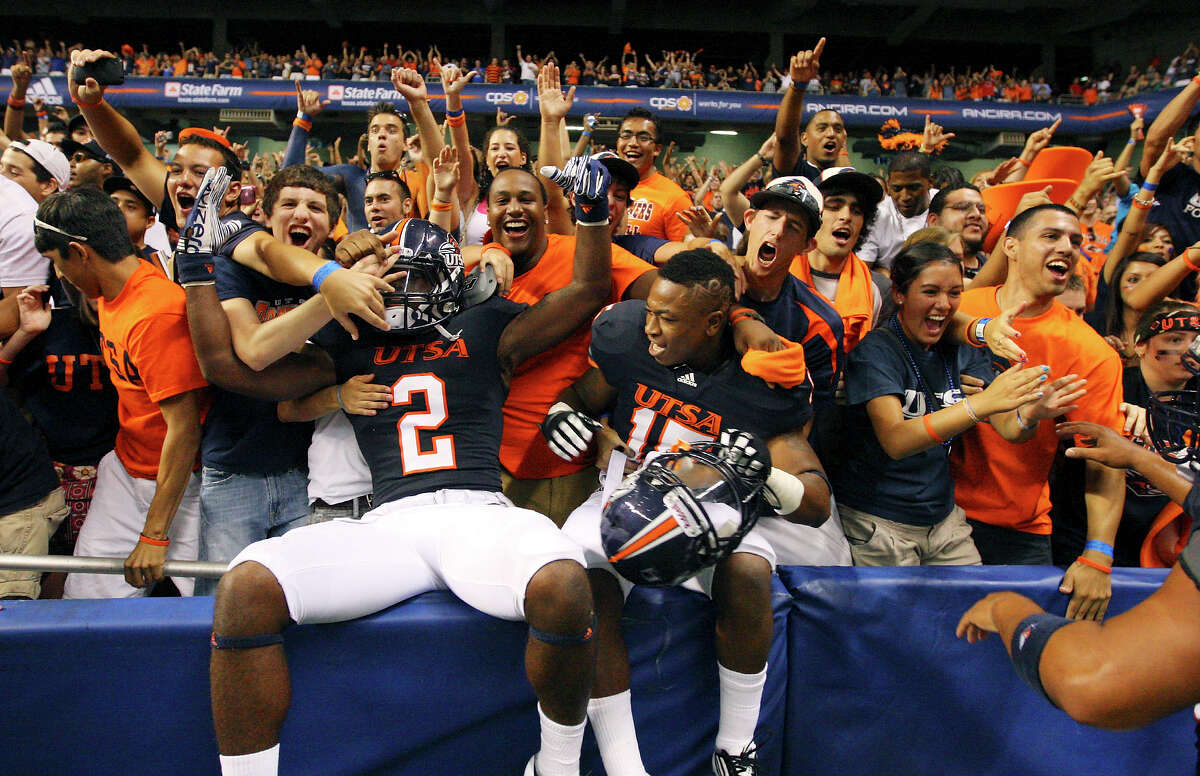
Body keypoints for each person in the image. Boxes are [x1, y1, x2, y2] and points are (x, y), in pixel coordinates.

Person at [208, 159, 616, 776]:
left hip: (480, 512)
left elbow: (587, 291)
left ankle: (556, 766)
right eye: (392, 283)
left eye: (417, 282)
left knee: (563, 585)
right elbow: (232, 369)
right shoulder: (348, 334)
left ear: (453, 281)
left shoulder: (484, 324)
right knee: (245, 589)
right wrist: (195, 273)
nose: (402, 296)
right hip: (388, 523)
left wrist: (588, 217)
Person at [546, 249, 832, 774]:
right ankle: (625, 763)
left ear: (714, 322)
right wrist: (563, 416)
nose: (651, 329)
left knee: (748, 570)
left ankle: (735, 747)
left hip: (707, 516)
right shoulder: (632, 341)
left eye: (669, 319)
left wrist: (764, 473)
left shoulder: (758, 384)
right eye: (651, 312)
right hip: (621, 497)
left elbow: (815, 504)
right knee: (584, 584)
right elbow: (585, 395)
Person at [837, 241, 1082, 565]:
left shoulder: (960, 347)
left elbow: (1010, 428)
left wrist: (1033, 413)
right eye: (930, 292)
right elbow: (896, 440)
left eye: (954, 293)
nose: (943, 304)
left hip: (943, 522)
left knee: (967, 612)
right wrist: (978, 406)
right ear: (899, 293)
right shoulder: (878, 351)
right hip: (879, 523)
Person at [952, 204, 1126, 621]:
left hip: (1016, 529)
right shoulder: (957, 307)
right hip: (930, 517)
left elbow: (1104, 462)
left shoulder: (1090, 351)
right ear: (1010, 246)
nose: (1067, 247)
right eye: (1051, 236)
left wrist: (1098, 556)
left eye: (1076, 241)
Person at [35, 187, 208, 599]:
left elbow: (184, 431)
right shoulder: (110, 293)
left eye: (59, 262)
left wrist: (155, 534)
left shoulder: (156, 312)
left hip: (182, 486)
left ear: (80, 252)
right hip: (125, 469)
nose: (60, 275)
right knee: (84, 603)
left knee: (206, 615)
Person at [1138, 70, 1200, 249]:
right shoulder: (1171, 175)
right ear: (1190, 142)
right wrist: (1197, 82)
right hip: (1160, 274)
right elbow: (1155, 142)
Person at [771, 38, 848, 180]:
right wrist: (798, 86)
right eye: (822, 128)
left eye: (837, 129)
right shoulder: (797, 173)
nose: (831, 134)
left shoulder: (851, 181)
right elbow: (785, 139)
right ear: (804, 139)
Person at [616, 108, 692, 241]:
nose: (633, 143)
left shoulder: (675, 198)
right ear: (618, 143)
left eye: (643, 138)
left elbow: (684, 254)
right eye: (626, 136)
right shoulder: (604, 189)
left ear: (657, 149)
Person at [858, 152, 937, 272]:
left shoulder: (945, 203)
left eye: (913, 188)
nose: (905, 196)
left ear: (930, 182)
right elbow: (862, 270)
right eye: (897, 188)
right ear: (888, 184)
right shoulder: (876, 216)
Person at [927, 184, 988, 279]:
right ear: (934, 221)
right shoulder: (922, 267)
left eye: (982, 210)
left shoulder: (992, 264)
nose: (977, 214)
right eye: (963, 207)